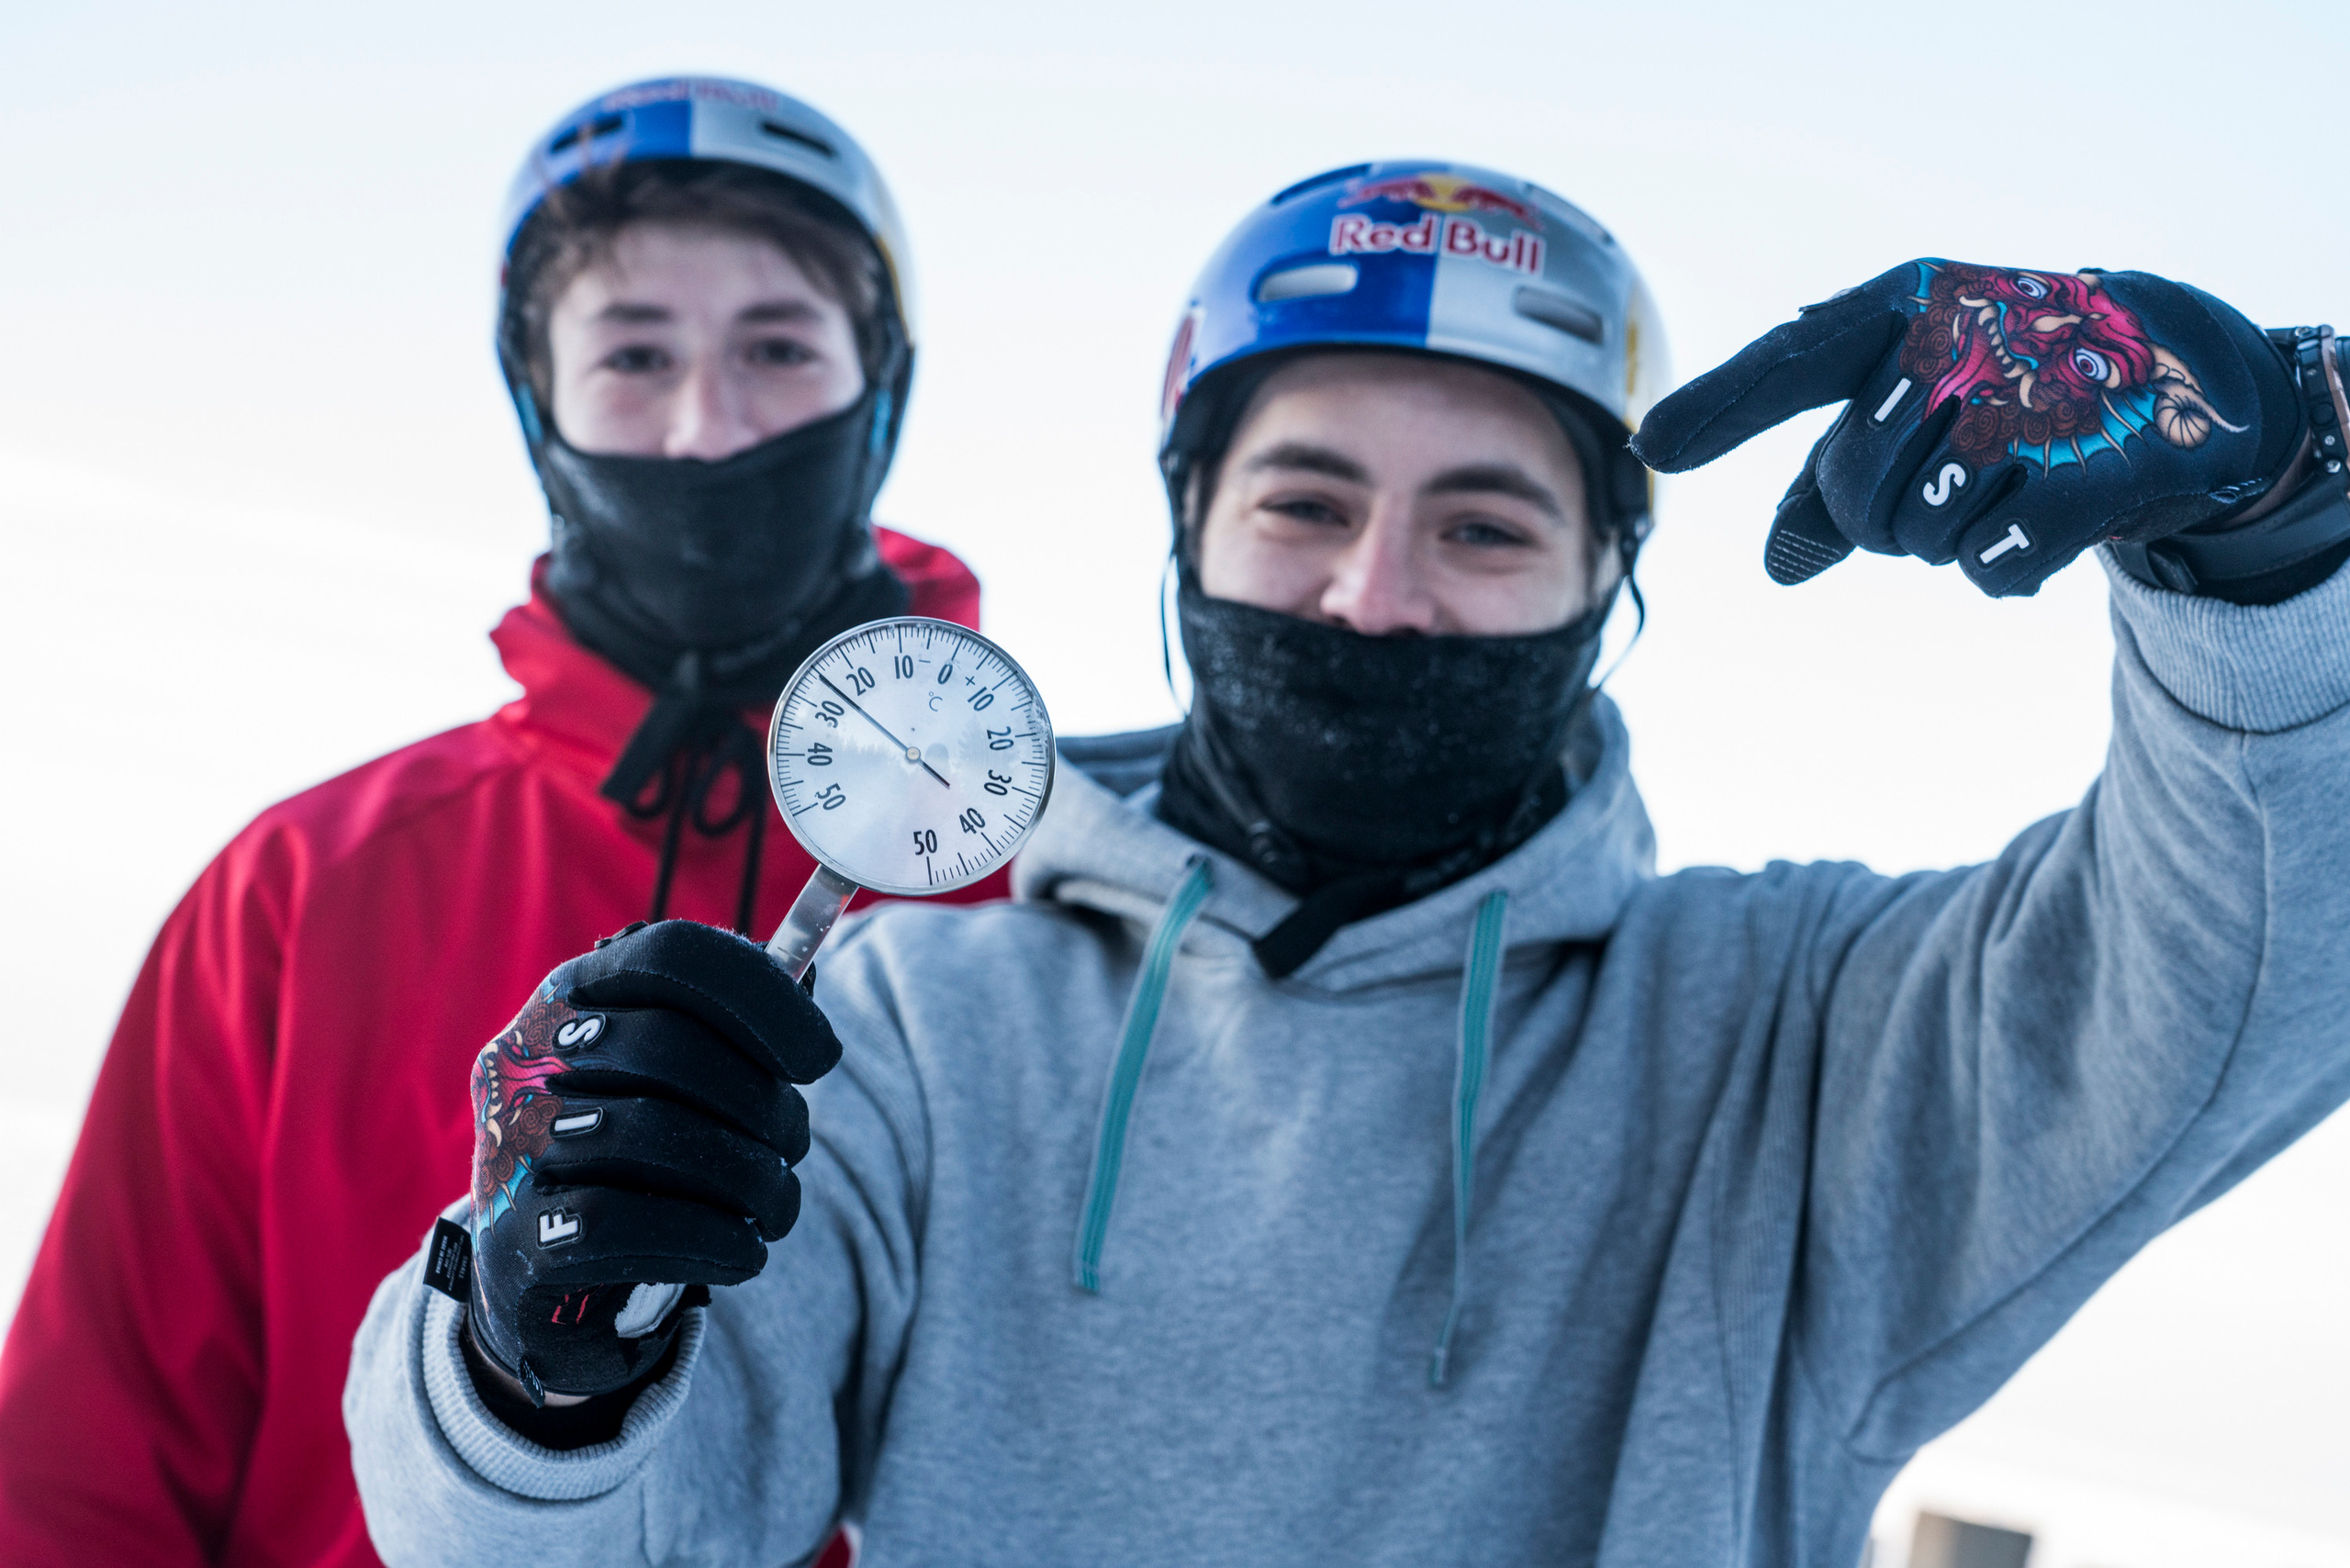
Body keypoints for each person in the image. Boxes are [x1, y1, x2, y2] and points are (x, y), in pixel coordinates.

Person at [346, 162, 2350, 1568]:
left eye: (1483, 527)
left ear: (1600, 591)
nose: (1375, 599)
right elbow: (600, 1540)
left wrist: (2272, 511)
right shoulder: (914, 1019)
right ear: (1184, 533)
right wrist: (539, 1355)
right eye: (1301, 503)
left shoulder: (1797, 1040)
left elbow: (2257, 962)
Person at [0, 76, 1002, 1568]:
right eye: (634, 355)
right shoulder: (304, 891)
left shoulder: (1034, 910)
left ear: (883, 391)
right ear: (539, 402)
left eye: (779, 349)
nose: (707, 429)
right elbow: (81, 1473)